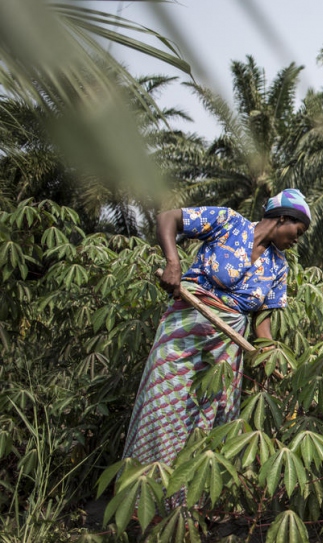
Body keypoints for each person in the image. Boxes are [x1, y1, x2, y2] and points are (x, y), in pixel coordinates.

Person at [123, 188, 310, 468]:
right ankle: (145, 496)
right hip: (182, 335)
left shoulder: (278, 266)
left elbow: (262, 321)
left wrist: (270, 355)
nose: (297, 239)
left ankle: (187, 506)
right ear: (283, 218)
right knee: (161, 411)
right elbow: (168, 218)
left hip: (224, 353)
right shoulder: (228, 222)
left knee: (205, 422)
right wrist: (173, 263)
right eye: (298, 230)